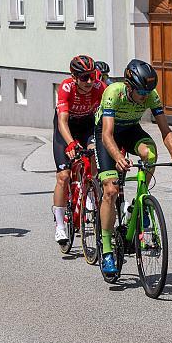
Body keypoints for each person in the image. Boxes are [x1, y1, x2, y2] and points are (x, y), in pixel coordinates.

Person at [95, 59, 172, 275]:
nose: (145, 96)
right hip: (107, 135)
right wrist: (118, 156)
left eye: (148, 91)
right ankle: (107, 249)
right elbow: (107, 134)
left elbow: (166, 131)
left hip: (131, 130)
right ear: (129, 85)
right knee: (110, 189)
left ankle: (140, 202)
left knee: (150, 153)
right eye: (141, 92)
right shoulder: (113, 93)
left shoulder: (151, 95)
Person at [52, 55, 106, 244]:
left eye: (92, 76)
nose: (90, 81)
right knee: (64, 176)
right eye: (84, 77)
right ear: (74, 77)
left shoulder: (99, 87)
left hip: (88, 125)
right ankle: (60, 225)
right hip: (67, 128)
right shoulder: (66, 88)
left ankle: (89, 189)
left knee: (94, 153)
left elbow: (105, 118)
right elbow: (62, 121)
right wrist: (71, 143)